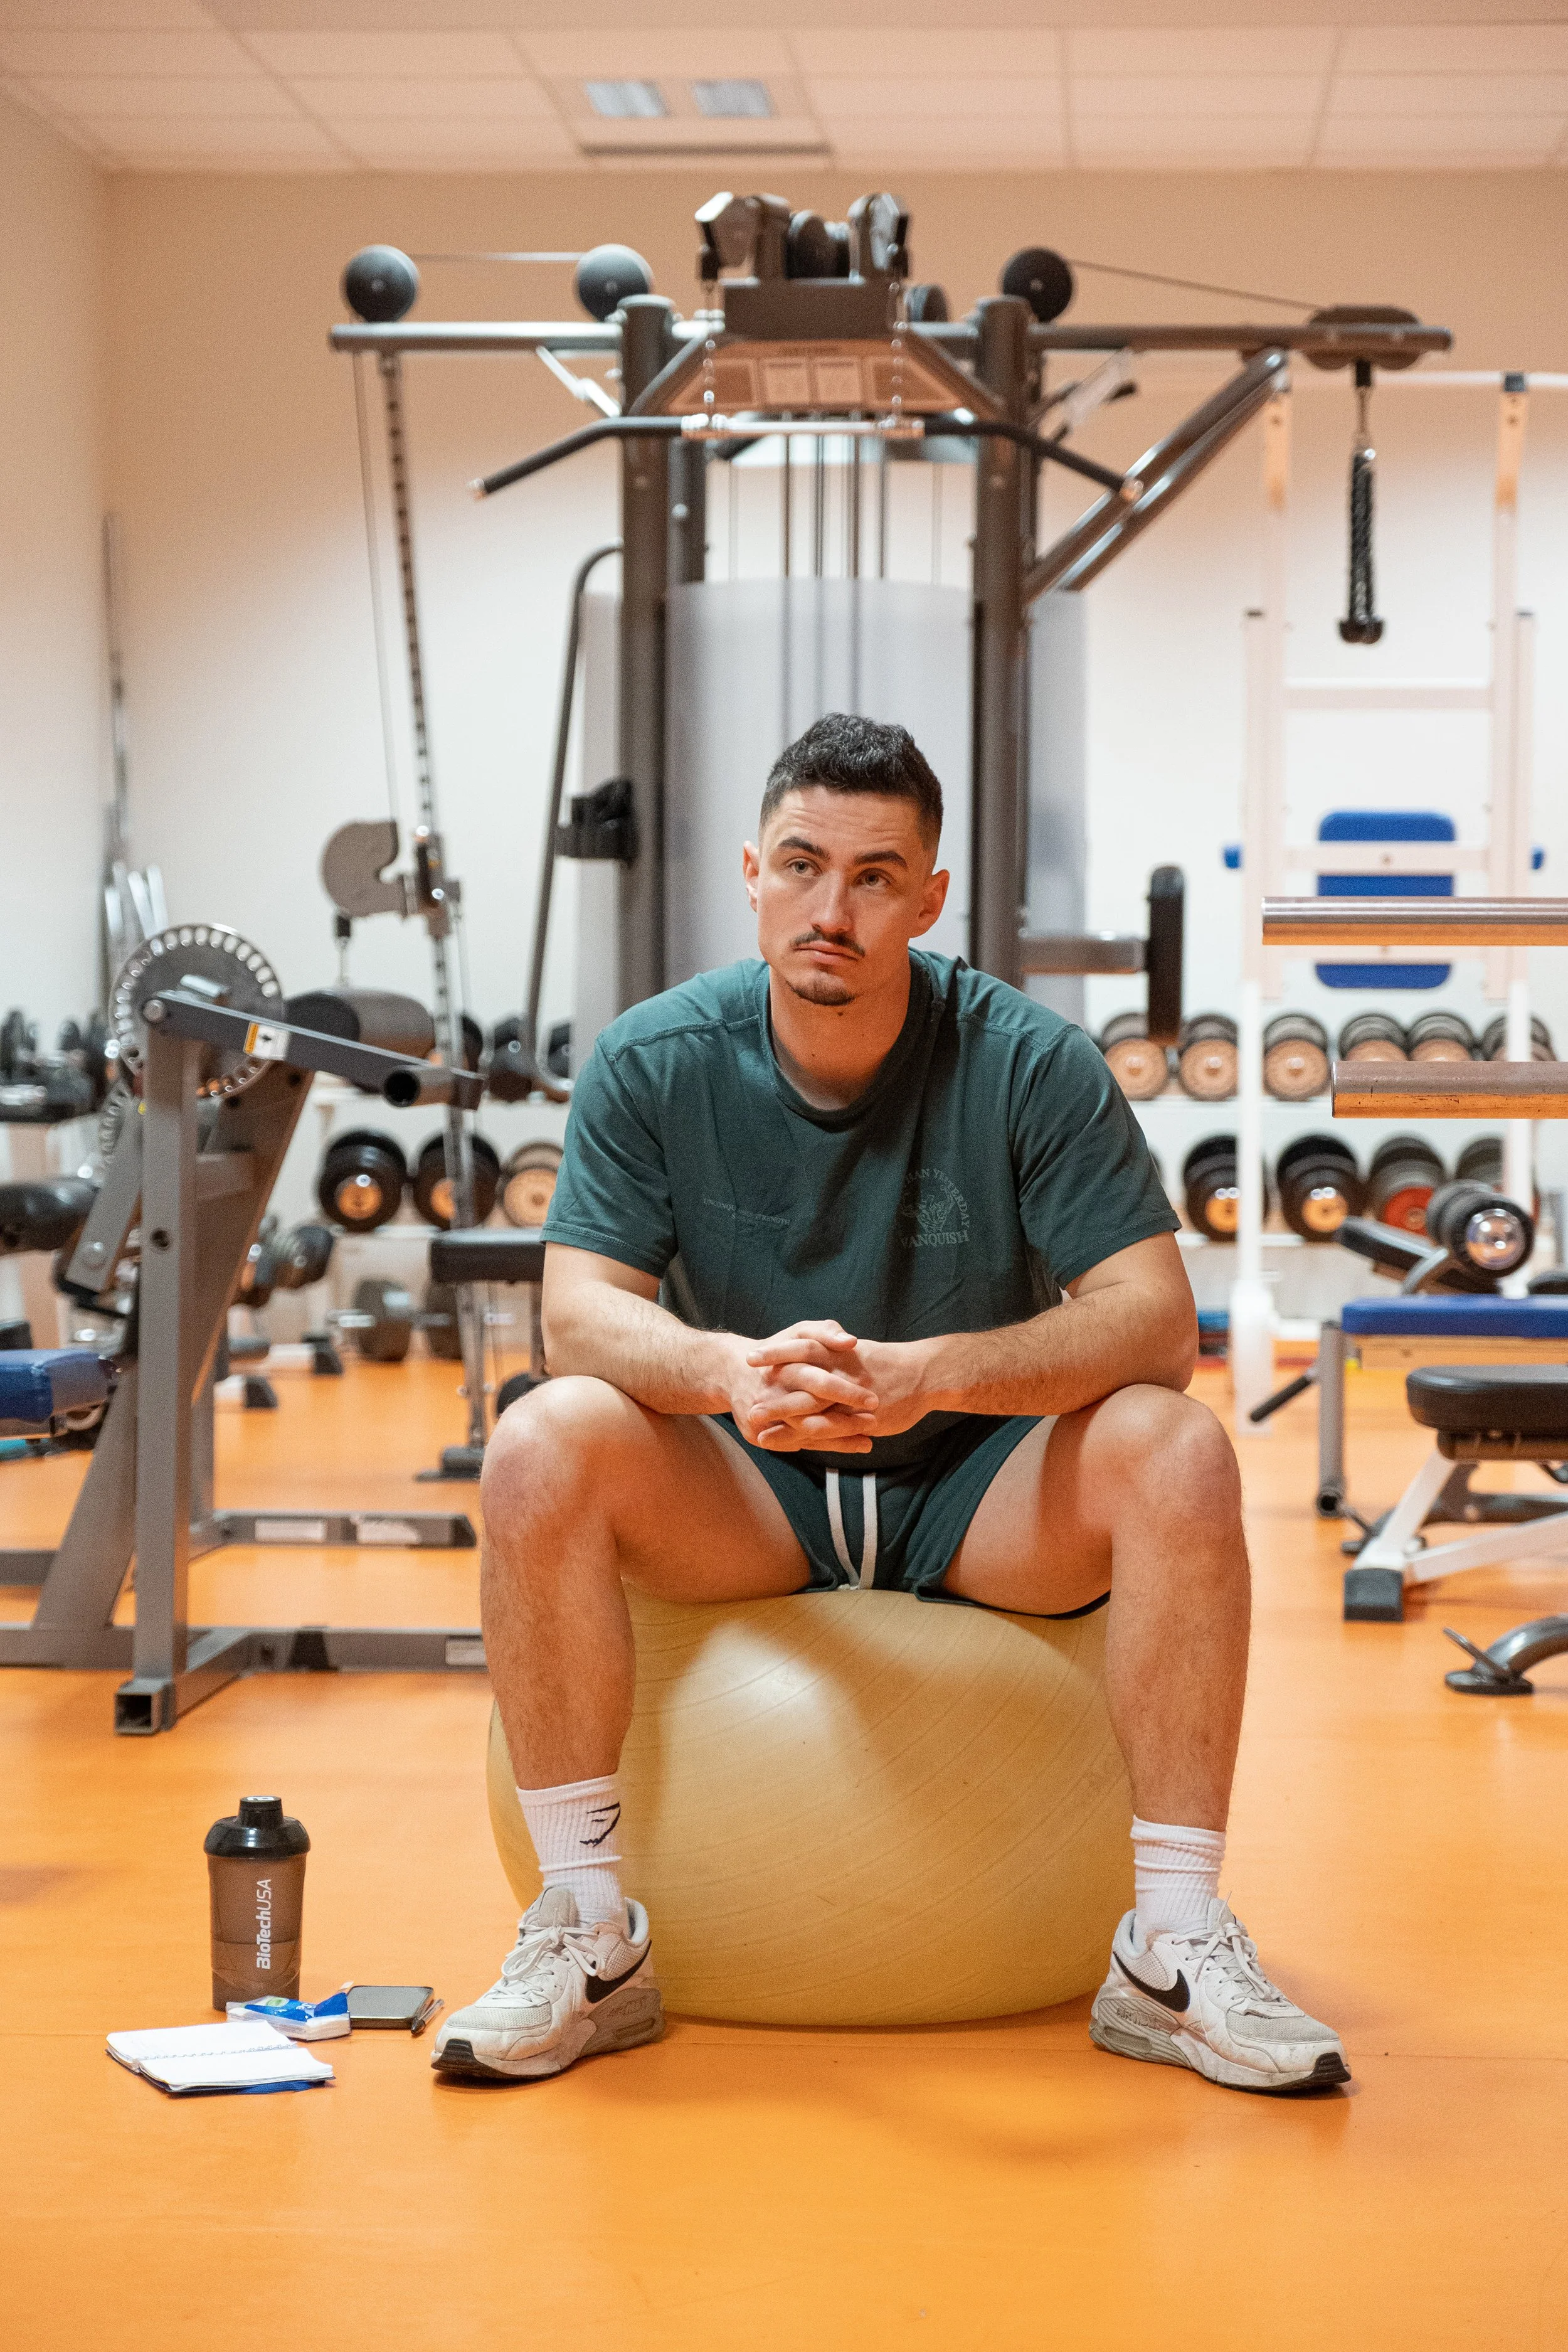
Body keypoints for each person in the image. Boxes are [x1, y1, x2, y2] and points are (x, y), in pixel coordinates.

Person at [434, 713, 1348, 2097]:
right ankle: (586, 1932)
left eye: (874, 876)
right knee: (540, 1432)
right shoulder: (651, 1058)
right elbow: (582, 1313)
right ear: (750, 871)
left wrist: (937, 1370)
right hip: (750, 1484)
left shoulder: (1029, 1061)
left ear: (928, 897)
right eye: (802, 864)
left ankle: (1167, 1950)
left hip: (979, 1490)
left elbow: (1154, 1321)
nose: (832, 907)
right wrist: (728, 1372)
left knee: (1173, 1445)